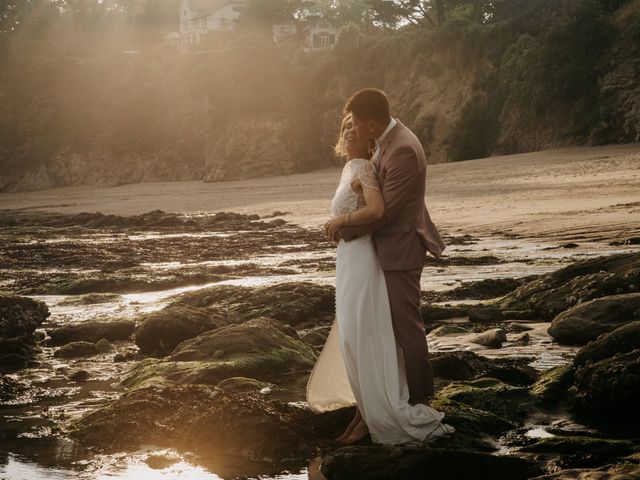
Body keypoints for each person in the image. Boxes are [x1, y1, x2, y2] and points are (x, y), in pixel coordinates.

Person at [306, 88, 454, 446]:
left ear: (371, 124)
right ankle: (369, 409)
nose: (351, 130)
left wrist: (343, 226)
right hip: (376, 251)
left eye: (356, 124)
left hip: (398, 250)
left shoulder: (401, 147)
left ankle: (417, 402)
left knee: (406, 329)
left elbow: (386, 213)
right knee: (377, 333)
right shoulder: (388, 143)